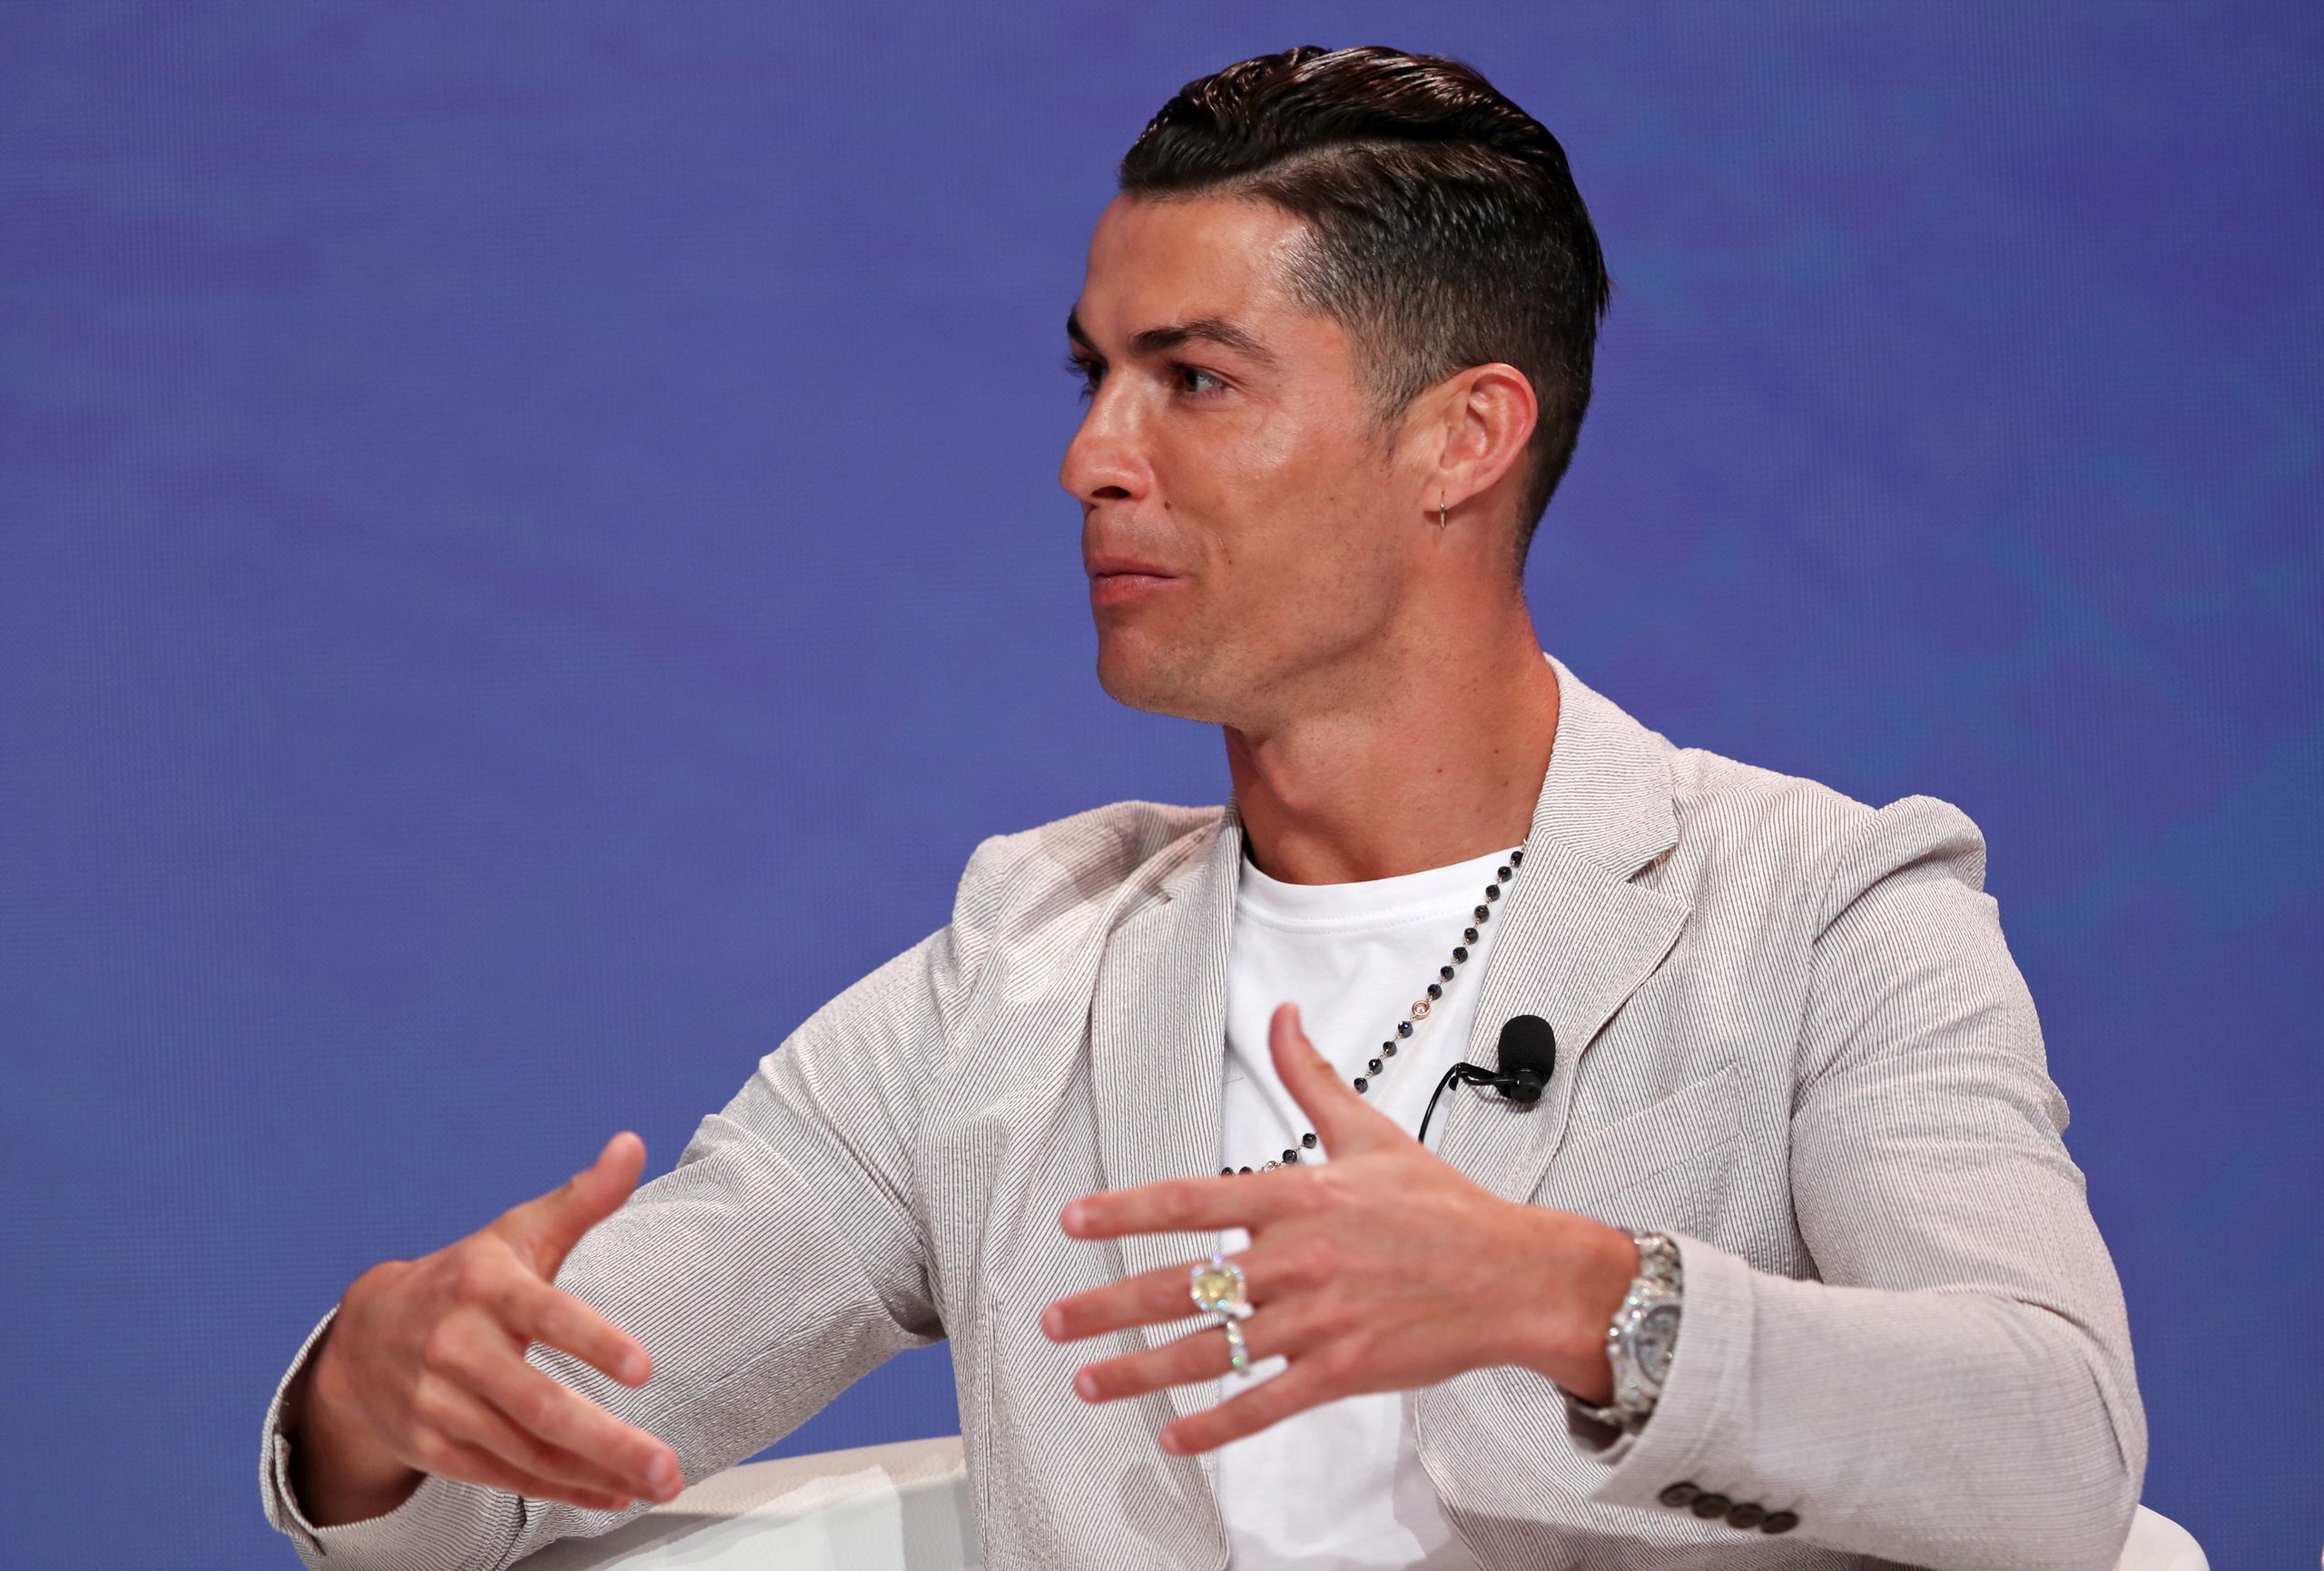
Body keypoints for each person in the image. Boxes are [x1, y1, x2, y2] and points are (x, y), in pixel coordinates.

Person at [258, 44, 2145, 1571]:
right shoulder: (1018, 971)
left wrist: (1584, 1299)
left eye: (1193, 380)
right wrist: (380, 1390)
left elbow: (2054, 1446)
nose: (1091, 457)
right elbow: (508, 1463)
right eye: (1097, 377)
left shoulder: (1824, 913)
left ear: (1462, 435)